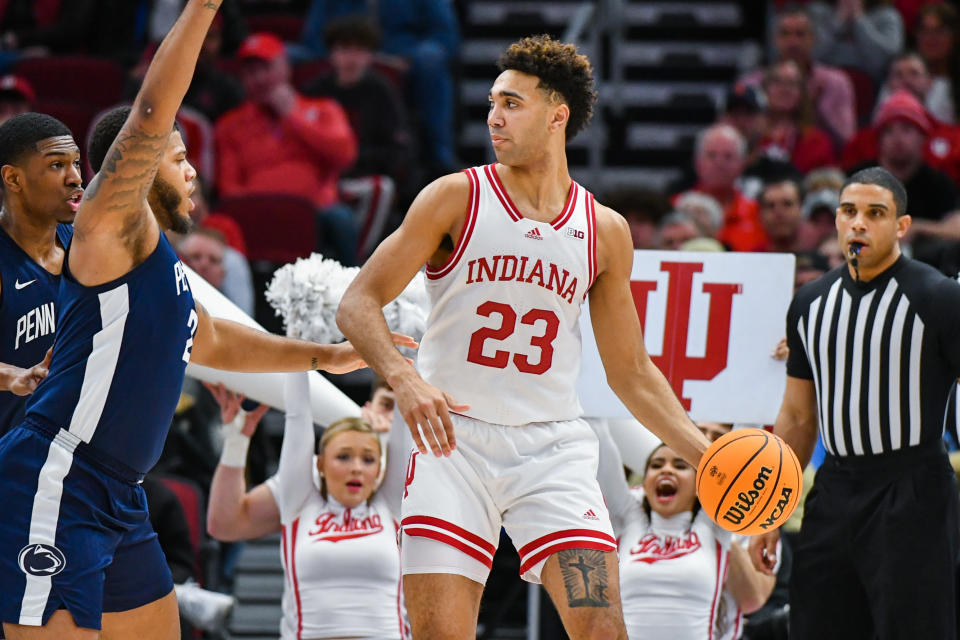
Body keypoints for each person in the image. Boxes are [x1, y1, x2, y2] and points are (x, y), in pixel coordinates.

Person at [0, 3, 407, 637]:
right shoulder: (107, 226)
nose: (193, 172)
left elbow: (213, 340)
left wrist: (324, 356)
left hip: (121, 493)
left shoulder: (163, 266)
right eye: (178, 159)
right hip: (58, 478)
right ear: (133, 171)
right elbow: (151, 112)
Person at [336, 34, 712, 638]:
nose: (493, 116)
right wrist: (403, 379)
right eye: (491, 102)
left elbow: (631, 372)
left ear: (557, 114)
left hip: (552, 447)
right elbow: (358, 303)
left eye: (511, 103)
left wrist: (707, 456)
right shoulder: (455, 196)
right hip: (449, 443)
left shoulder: (604, 230)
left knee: (602, 628)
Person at [750, 166, 960, 639]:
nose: (859, 223)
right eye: (849, 212)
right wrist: (770, 512)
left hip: (913, 487)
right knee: (817, 625)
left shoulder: (940, 297)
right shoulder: (808, 302)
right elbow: (799, 419)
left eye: (875, 213)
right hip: (835, 488)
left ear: (901, 227)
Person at [206, 372, 409, 639]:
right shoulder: (307, 480)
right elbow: (226, 524)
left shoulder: (412, 480)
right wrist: (237, 441)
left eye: (368, 459)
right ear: (367, 408)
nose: (388, 421)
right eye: (385, 406)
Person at [593, 421, 775, 640]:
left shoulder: (713, 527)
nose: (666, 470)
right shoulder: (628, 519)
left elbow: (747, 442)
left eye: (680, 466)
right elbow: (597, 431)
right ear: (646, 479)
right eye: (656, 465)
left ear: (700, 484)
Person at [215, 32, 360, 265]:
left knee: (341, 219)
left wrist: (292, 116)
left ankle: (353, 293)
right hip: (258, 216)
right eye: (251, 72)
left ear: (286, 68)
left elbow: (345, 155)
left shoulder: (324, 109)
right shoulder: (229, 124)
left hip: (315, 213)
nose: (259, 78)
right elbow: (229, 188)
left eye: (266, 68)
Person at [303, 16, 413, 260]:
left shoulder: (382, 92)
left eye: (359, 50)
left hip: (361, 178)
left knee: (381, 188)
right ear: (331, 54)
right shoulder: (314, 91)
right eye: (344, 49)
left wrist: (356, 162)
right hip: (321, 179)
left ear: (370, 55)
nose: (351, 58)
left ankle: (359, 263)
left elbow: (397, 150)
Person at [0, 112, 82, 436]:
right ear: (14, 179)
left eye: (76, 162)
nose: (75, 177)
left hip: (67, 457)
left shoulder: (82, 245)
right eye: (56, 165)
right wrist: (14, 377)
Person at [739, 4, 855, 147]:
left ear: (813, 39)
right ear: (774, 40)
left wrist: (818, 107)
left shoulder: (836, 82)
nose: (793, 42)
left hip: (819, 159)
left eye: (800, 34)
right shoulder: (751, 84)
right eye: (785, 34)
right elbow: (736, 139)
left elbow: (847, 140)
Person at [676, 124, 768, 252]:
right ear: (697, 162)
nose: (719, 163)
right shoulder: (676, 208)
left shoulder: (759, 214)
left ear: (743, 163)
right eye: (711, 155)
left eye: (728, 156)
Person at [757, 178, 820, 253]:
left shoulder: (823, 253)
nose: (779, 212)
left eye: (787, 204)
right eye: (770, 206)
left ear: (801, 209)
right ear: (760, 214)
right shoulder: (754, 256)